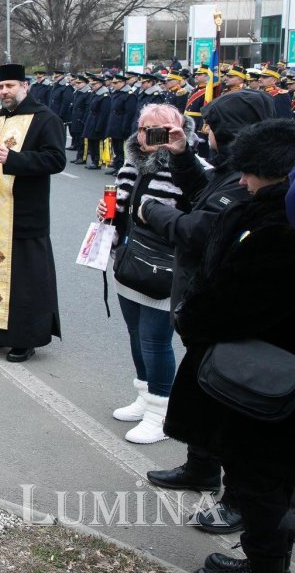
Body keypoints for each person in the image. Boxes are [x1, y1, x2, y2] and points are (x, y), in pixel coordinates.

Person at [139, 89, 273, 532]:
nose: (206, 133)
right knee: (204, 392)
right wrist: (181, 157)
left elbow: (198, 228)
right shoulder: (236, 172)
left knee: (232, 407)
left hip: (227, 314)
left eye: (212, 126)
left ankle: (238, 502)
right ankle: (201, 467)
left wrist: (152, 212)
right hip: (208, 305)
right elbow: (203, 192)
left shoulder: (256, 180)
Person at [165, 119, 295, 573]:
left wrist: (191, 317)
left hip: (262, 382)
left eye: (250, 172)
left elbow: (235, 302)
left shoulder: (275, 228)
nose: (242, 181)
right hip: (268, 375)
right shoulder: (269, 213)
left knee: (262, 480)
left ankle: (264, 564)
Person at [97, 104, 193, 444]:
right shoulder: (132, 163)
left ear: (174, 130)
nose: (144, 136)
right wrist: (108, 212)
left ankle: (160, 411)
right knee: (136, 335)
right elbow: (124, 210)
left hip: (164, 269)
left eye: (153, 130)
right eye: (141, 129)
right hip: (129, 263)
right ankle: (145, 396)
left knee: (155, 341)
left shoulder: (190, 168)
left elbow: (195, 224)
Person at [0, 63, 66, 362]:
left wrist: (15, 160)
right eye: (1, 87)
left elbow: (55, 160)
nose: (4, 92)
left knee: (25, 282)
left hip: (25, 214)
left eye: (10, 86)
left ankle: (26, 339)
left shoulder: (45, 118)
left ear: (25, 86)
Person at [106, 73, 133, 174]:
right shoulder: (116, 93)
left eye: (116, 83)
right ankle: (116, 166)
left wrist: (125, 127)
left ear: (123, 82)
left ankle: (121, 168)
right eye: (113, 83)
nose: (114, 85)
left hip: (121, 124)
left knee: (122, 148)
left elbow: (129, 113)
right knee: (116, 147)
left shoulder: (129, 94)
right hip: (114, 123)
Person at [82, 74, 111, 170]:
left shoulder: (105, 96)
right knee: (91, 142)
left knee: (98, 143)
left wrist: (99, 126)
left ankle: (98, 161)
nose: (93, 86)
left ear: (100, 84)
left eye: (94, 84)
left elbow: (104, 113)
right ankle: (93, 160)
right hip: (91, 120)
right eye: (92, 84)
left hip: (98, 121)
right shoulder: (95, 93)